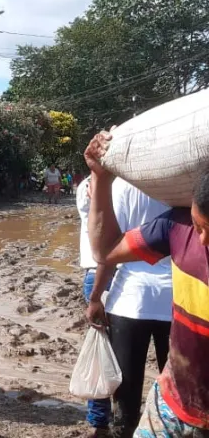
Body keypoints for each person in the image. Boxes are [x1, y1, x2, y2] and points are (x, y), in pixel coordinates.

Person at [85, 131, 209, 437]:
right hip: (171, 400)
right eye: (199, 226)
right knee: (127, 396)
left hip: (132, 301)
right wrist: (100, 178)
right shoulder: (177, 225)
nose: (203, 239)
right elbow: (106, 251)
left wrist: (97, 296)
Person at [85, 174, 172, 438]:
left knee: (126, 392)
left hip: (129, 300)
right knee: (178, 390)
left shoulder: (118, 186)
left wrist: (96, 296)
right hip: (177, 300)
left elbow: (107, 250)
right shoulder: (180, 184)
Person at [76, 176, 114, 437]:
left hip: (98, 273)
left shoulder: (88, 186)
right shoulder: (92, 187)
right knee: (121, 352)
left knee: (103, 353)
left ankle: (100, 423)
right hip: (121, 271)